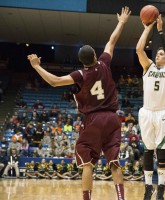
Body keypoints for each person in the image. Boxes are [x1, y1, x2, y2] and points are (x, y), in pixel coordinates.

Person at [27, 6, 131, 200]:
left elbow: (55, 81)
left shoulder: (80, 74)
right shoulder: (104, 63)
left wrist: (37, 66)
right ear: (94, 56)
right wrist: (121, 22)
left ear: (82, 62)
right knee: (114, 162)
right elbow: (111, 41)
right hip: (113, 118)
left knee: (87, 164)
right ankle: (121, 198)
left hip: (94, 119)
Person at [136, 14, 165, 200]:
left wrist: (160, 31)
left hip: (163, 113)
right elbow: (138, 49)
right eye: (158, 53)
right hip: (147, 112)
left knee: (161, 151)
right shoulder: (148, 67)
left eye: (161, 54)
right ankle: (147, 187)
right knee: (147, 150)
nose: (159, 55)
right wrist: (147, 28)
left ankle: (160, 188)